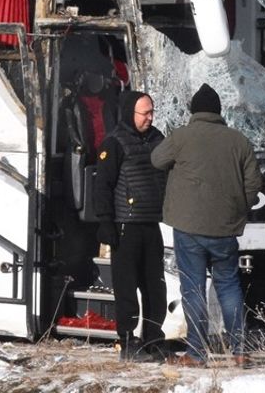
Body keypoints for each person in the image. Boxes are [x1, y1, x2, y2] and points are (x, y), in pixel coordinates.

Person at [151, 83, 261, 368]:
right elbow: (254, 184)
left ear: (193, 111)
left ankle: (198, 353)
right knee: (230, 287)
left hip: (189, 228)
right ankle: (239, 350)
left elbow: (156, 159)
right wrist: (238, 208)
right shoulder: (239, 141)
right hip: (226, 227)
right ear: (218, 111)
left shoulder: (182, 136)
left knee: (194, 289)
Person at [92, 91, 167, 361]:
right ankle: (127, 340)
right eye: (144, 113)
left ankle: (154, 338)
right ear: (129, 113)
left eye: (151, 112)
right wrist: (105, 221)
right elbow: (103, 185)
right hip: (126, 224)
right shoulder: (114, 143)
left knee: (155, 286)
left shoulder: (158, 138)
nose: (149, 118)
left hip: (151, 222)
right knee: (127, 287)